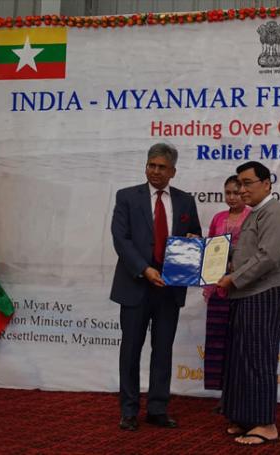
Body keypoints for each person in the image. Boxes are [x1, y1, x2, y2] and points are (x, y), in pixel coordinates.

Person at [110, 143, 201, 431]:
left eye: (162, 167)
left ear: (173, 171)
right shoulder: (126, 196)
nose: (156, 171)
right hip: (135, 284)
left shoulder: (186, 201)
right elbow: (120, 239)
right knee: (130, 350)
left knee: (163, 350)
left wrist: (193, 239)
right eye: (151, 165)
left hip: (170, 289)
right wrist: (145, 269)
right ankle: (128, 411)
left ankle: (157, 409)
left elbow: (195, 235)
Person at [217, 161, 280, 446]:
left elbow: (268, 257)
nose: (241, 189)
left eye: (247, 183)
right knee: (241, 358)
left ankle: (265, 424)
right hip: (246, 294)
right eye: (239, 183)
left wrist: (232, 279)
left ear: (267, 184)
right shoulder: (256, 213)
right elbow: (245, 253)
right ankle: (246, 417)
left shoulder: (276, 213)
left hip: (263, 294)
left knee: (258, 358)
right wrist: (208, 253)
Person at [203, 175, 251, 393]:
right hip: (218, 288)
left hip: (242, 287)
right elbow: (210, 249)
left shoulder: (253, 216)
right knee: (216, 340)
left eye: (236, 193)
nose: (232, 197)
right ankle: (222, 394)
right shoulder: (218, 218)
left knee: (240, 341)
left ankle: (238, 395)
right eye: (228, 193)